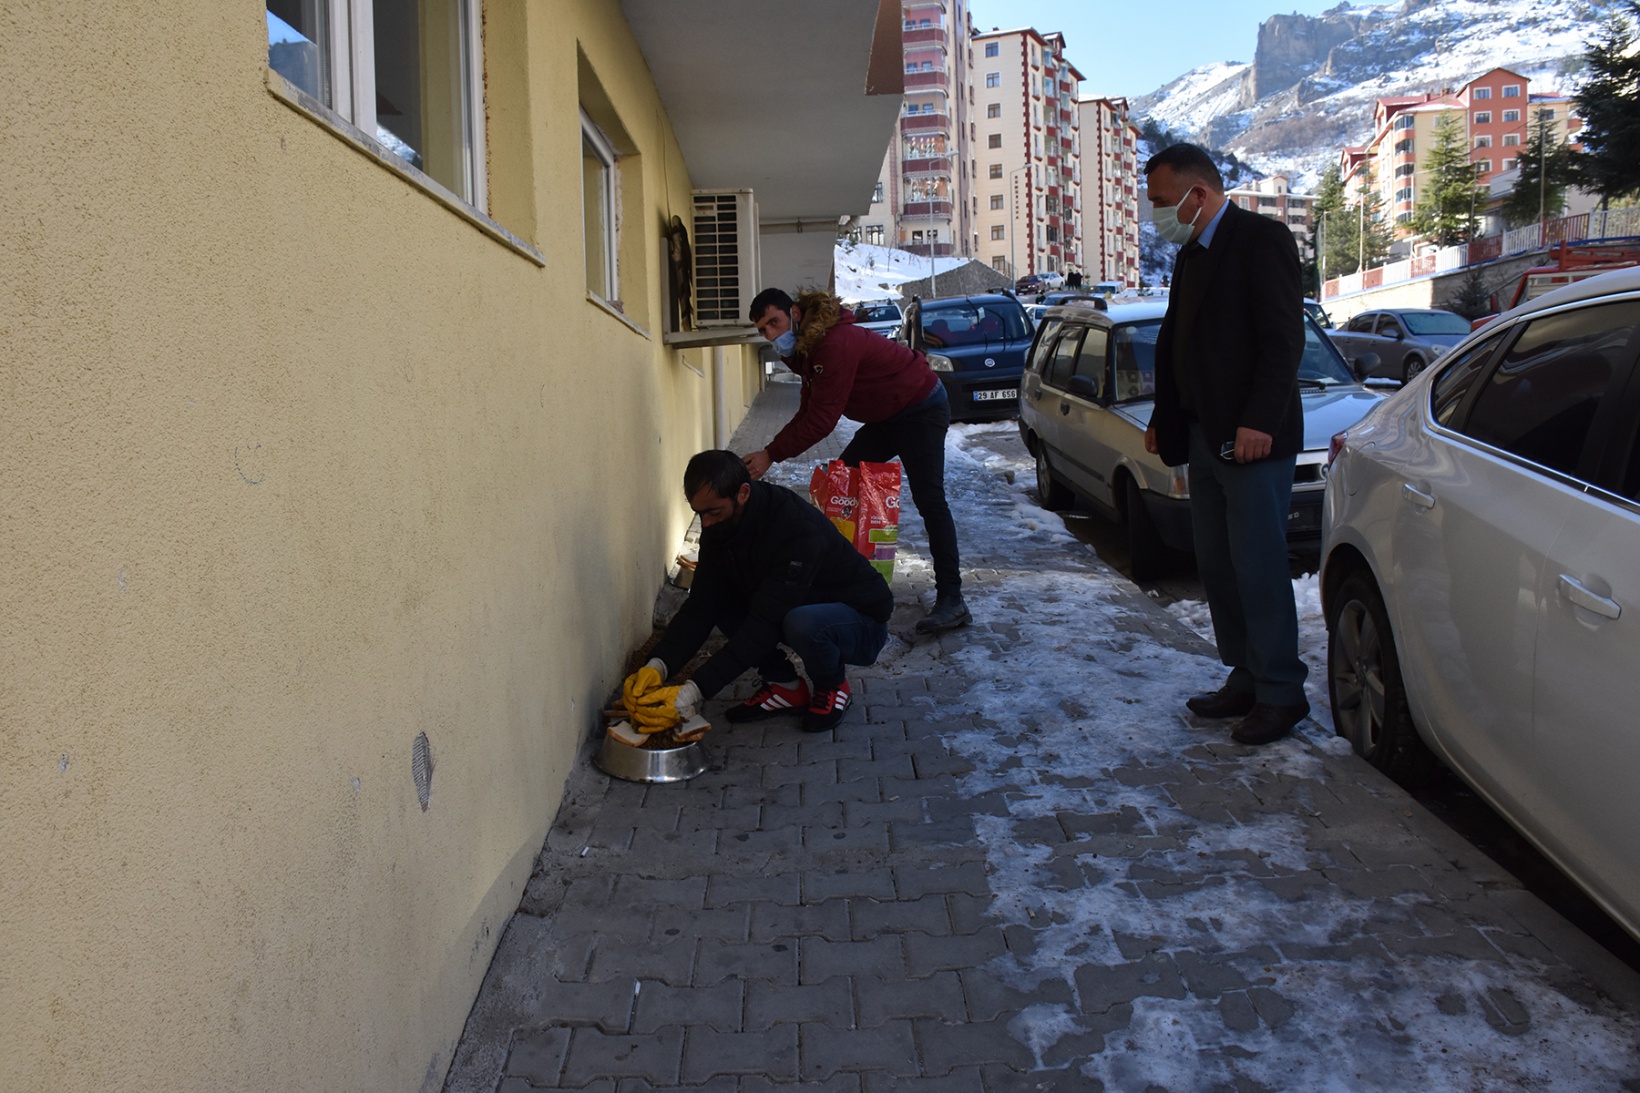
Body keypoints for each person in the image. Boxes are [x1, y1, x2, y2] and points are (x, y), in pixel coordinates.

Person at [1141, 143, 1310, 746]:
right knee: (1217, 563)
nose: (1156, 213)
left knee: (1258, 565)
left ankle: (1282, 692)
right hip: (1202, 435)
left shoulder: (1261, 239)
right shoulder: (1191, 254)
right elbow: (1172, 343)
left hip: (1252, 440)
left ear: (1200, 195)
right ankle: (1246, 675)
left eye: (1162, 201)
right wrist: (1166, 415)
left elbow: (1283, 339)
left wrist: (1260, 419)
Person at [743, 287, 969, 635]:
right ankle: (842, 579)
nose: (771, 334)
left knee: (930, 500)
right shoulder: (806, 348)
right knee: (843, 480)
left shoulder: (834, 344)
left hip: (921, 405)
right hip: (889, 414)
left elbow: (822, 419)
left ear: (796, 314)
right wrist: (772, 450)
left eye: (775, 322)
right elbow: (808, 405)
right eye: (763, 330)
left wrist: (771, 453)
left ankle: (952, 599)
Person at [622, 450, 893, 734]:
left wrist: (696, 689)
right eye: (699, 513)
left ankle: (833, 685)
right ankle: (785, 687)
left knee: (802, 623)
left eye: (713, 512)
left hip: (860, 622)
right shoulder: (722, 526)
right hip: (801, 602)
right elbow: (702, 603)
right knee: (723, 600)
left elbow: (765, 622)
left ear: (743, 493)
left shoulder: (795, 529)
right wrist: (659, 664)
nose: (706, 523)